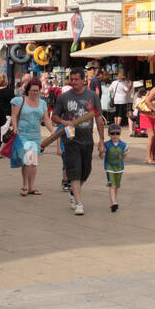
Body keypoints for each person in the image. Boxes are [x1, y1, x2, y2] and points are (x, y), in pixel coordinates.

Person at [52, 69, 106, 216]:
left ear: (83, 80)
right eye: (72, 79)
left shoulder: (92, 96)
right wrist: (65, 122)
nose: (74, 82)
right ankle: (79, 203)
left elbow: (99, 118)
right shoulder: (64, 97)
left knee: (86, 171)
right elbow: (54, 117)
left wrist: (101, 139)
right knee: (74, 171)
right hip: (71, 140)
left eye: (76, 79)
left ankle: (73, 192)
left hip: (87, 139)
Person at [9, 77, 55, 196]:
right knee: (29, 160)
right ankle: (25, 186)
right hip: (22, 135)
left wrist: (52, 131)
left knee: (32, 162)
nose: (35, 92)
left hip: (35, 135)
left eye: (37, 90)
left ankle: (30, 186)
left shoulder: (43, 103)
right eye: (32, 90)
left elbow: (46, 119)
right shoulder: (20, 101)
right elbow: (13, 116)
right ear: (27, 90)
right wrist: (15, 127)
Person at [104, 123, 128, 212]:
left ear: (120, 134)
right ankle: (114, 202)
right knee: (112, 186)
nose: (115, 135)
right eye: (112, 133)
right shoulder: (106, 145)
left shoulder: (123, 145)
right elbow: (102, 155)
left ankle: (113, 202)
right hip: (109, 168)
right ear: (109, 134)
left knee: (116, 186)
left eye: (117, 133)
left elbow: (125, 155)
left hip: (119, 169)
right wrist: (101, 152)